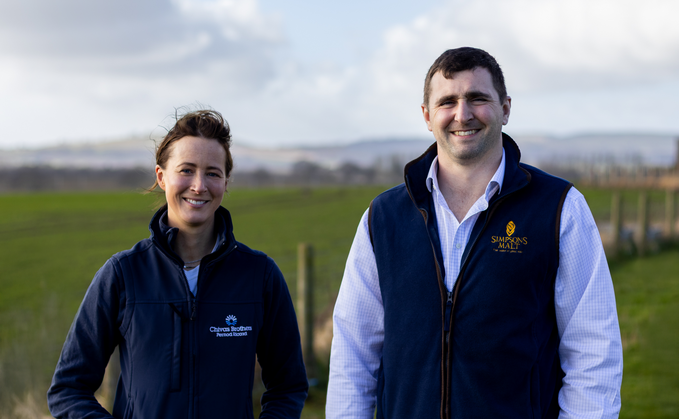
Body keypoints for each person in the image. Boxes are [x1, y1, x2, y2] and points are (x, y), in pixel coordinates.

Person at [326, 47, 622, 418]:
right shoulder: (382, 218)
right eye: (447, 101)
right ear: (427, 116)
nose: (462, 114)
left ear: (506, 108)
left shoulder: (560, 208)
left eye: (478, 98)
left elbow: (593, 351)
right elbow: (354, 353)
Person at [47, 109, 308, 418]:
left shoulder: (260, 276)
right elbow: (68, 390)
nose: (199, 186)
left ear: (226, 182)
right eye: (186, 170)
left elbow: (288, 387)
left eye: (212, 173)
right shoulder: (122, 275)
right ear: (161, 177)